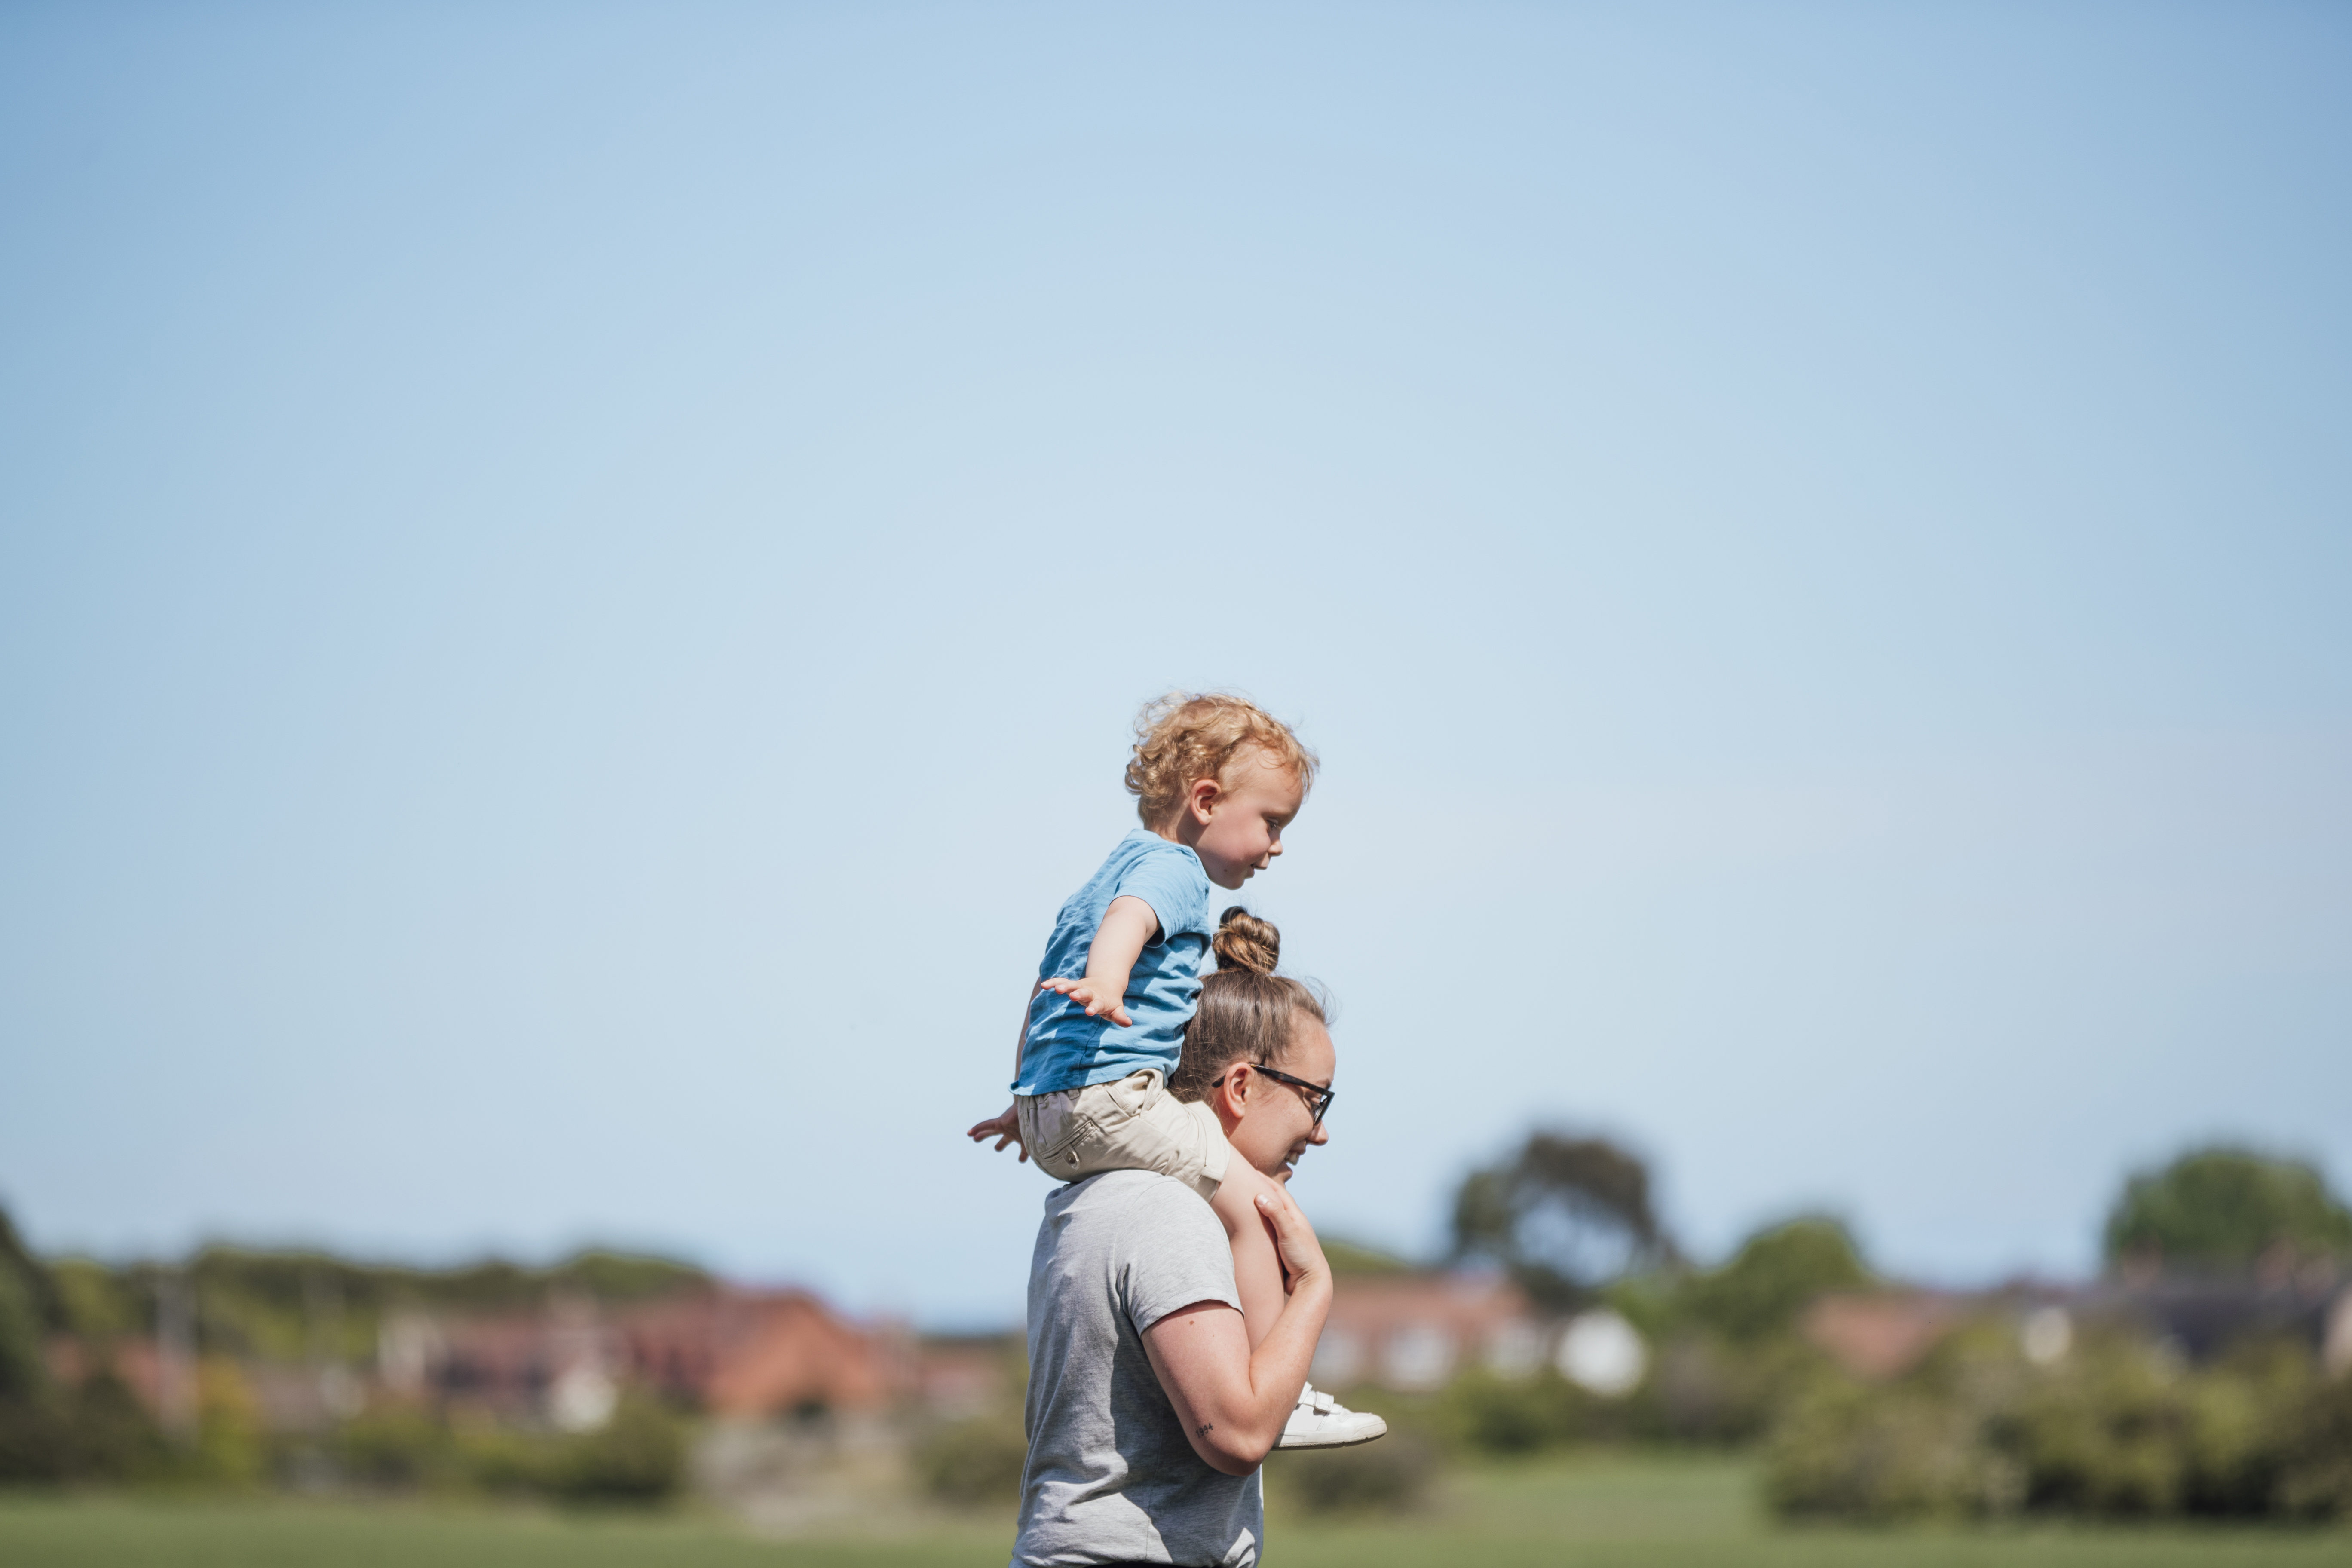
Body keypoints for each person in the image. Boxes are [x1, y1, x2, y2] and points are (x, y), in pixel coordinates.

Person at [967, 692, 1380, 1446]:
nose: (1275, 847)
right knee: (1250, 1200)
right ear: (1206, 800)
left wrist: (1022, 1100)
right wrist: (1111, 982)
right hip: (1110, 1097)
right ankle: (1275, 1386)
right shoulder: (1173, 871)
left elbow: (1040, 989)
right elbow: (1131, 924)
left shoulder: (1093, 881)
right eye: (1271, 823)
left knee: (1218, 1166)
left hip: (1052, 1107)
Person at [1014, 919, 1377, 1568]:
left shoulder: (1100, 1194)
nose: (1319, 1134)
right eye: (1314, 1100)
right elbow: (1236, 1435)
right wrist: (1314, 1289)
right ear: (1240, 1087)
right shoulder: (1169, 1213)